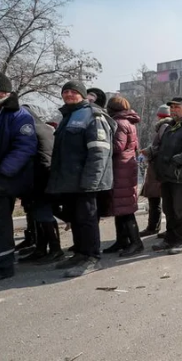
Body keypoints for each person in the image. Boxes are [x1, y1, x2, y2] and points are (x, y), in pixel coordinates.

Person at [47, 80, 115, 278]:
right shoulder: (68, 116)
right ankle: (80, 253)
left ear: (83, 94)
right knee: (75, 219)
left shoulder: (93, 115)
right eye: (65, 91)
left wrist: (91, 182)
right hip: (70, 181)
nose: (68, 94)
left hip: (86, 182)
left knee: (87, 220)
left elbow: (99, 153)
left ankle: (92, 258)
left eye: (73, 91)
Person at [150, 96, 182, 254]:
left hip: (180, 174)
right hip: (166, 174)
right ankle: (170, 238)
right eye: (172, 108)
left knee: (180, 209)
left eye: (177, 107)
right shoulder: (171, 126)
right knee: (169, 209)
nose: (173, 110)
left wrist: (176, 160)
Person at [0, 73, 37, 280]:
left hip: (8, 177)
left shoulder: (19, 115)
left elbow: (24, 147)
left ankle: (4, 264)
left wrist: (3, 171)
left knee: (1, 222)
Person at [17, 105, 63, 264]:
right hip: (49, 176)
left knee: (43, 214)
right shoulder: (46, 128)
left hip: (39, 178)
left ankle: (54, 249)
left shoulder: (30, 130)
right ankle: (42, 248)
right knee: (41, 214)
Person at [103, 96, 144, 257]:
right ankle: (122, 240)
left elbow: (118, 146)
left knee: (125, 208)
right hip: (126, 166)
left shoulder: (119, 123)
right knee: (120, 207)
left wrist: (101, 144)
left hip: (121, 168)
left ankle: (135, 242)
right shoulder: (128, 122)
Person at [139, 105, 172, 237]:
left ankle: (153, 227)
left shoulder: (164, 126)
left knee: (155, 200)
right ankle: (156, 227)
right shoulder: (168, 126)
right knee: (160, 200)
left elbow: (160, 147)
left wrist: (147, 151)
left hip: (158, 169)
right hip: (160, 168)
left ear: (159, 115)